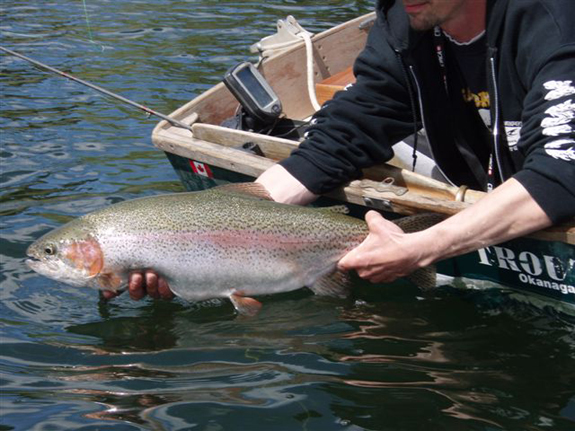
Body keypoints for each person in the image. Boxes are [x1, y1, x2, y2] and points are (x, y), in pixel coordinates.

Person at [105, 0, 575, 301]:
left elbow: (562, 172)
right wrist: (233, 217)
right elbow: (353, 127)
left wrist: (419, 247)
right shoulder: (406, 17)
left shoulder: (554, 21)